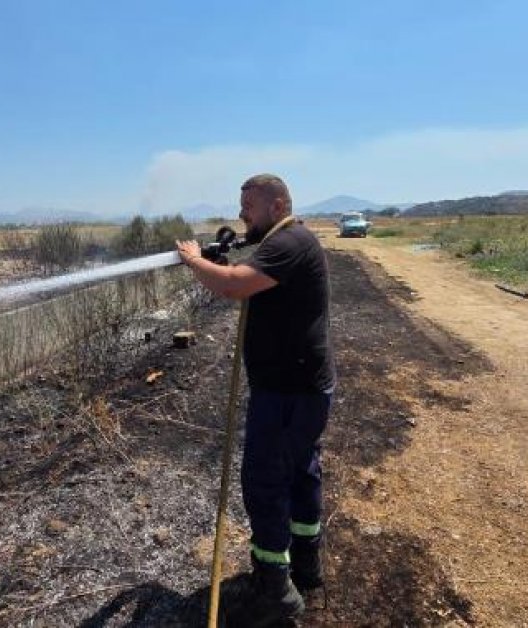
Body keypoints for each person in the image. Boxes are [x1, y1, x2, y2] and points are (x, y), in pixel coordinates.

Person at [176, 174, 335, 626]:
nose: (242, 212)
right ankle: (306, 565)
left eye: (249, 205)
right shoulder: (288, 240)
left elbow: (233, 285)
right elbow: (246, 266)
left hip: (287, 392)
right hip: (302, 387)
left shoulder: (289, 243)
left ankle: (274, 589)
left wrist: (192, 260)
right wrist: (217, 255)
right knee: (301, 473)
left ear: (277, 204)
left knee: (266, 482)